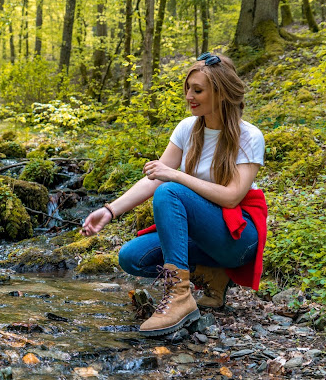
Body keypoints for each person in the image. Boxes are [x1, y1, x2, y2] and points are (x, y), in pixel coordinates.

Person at [81, 52, 268, 337]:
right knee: (132, 257)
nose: (189, 96)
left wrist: (178, 175)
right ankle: (210, 273)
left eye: (198, 90)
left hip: (238, 237)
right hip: (201, 234)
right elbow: (153, 180)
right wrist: (109, 211)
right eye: (188, 89)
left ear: (220, 93)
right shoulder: (187, 129)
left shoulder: (249, 136)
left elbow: (232, 196)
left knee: (171, 190)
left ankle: (179, 296)